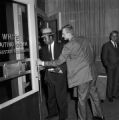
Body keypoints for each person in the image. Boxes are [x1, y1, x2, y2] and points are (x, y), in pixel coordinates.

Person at [38, 24, 104, 120]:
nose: (62, 36)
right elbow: (92, 54)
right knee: (94, 95)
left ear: (69, 33)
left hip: (83, 77)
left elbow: (58, 62)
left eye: (64, 34)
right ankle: (100, 116)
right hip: (92, 72)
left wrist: (42, 63)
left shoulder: (68, 46)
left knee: (81, 100)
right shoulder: (84, 39)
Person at [39, 27, 68, 120]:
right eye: (42, 38)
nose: (43, 40)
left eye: (45, 38)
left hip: (60, 77)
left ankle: (63, 117)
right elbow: (45, 63)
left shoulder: (61, 46)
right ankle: (53, 113)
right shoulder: (43, 49)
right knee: (50, 98)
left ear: (51, 37)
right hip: (49, 77)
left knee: (61, 98)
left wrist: (60, 70)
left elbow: (65, 61)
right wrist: (42, 67)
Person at [101, 30, 119, 102]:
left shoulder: (118, 44)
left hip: (118, 66)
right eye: (113, 36)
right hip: (110, 67)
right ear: (110, 36)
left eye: (116, 36)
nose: (114, 37)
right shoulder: (106, 45)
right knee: (110, 81)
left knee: (116, 81)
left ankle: (115, 94)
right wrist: (107, 65)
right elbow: (104, 57)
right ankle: (110, 95)